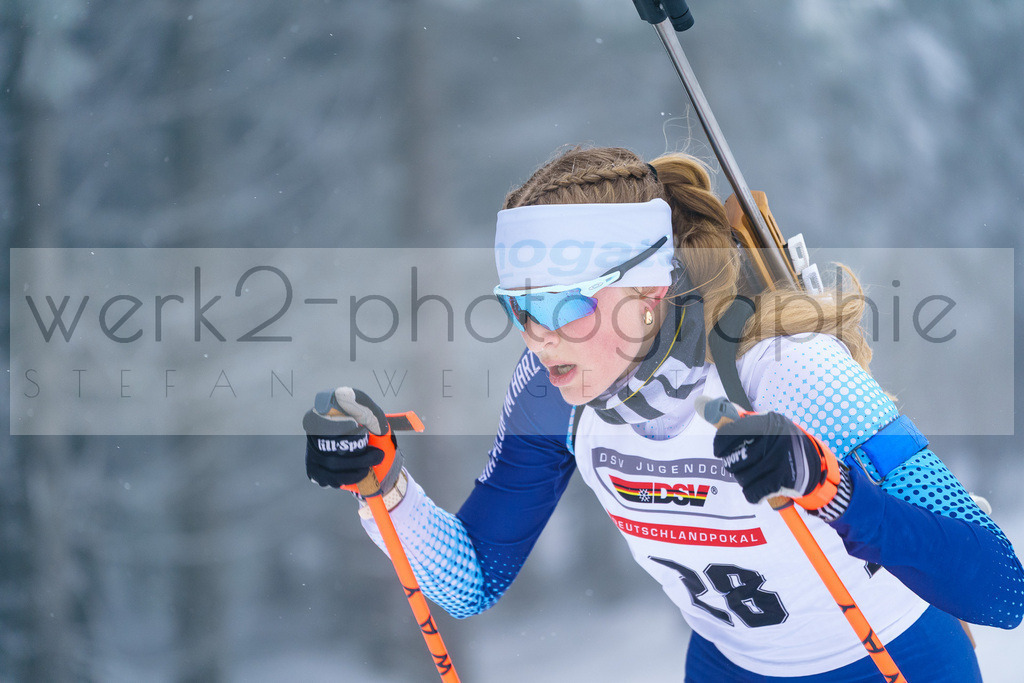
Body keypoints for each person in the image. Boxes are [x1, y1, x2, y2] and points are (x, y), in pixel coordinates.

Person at [304, 146, 1024, 681]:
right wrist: (385, 487)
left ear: (647, 291)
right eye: (518, 305)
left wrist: (828, 487)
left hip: (890, 657)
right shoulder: (555, 387)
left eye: (560, 302)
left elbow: (998, 587)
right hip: (728, 666)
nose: (537, 332)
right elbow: (472, 579)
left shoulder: (786, 369)